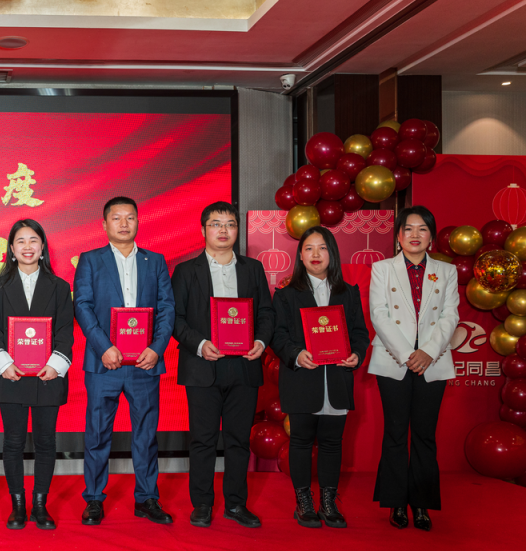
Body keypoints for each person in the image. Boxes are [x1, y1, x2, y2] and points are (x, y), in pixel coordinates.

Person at [72, 196, 176, 526]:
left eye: (130, 217)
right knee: (97, 432)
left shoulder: (155, 261)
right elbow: (82, 306)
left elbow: (167, 308)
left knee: (146, 434)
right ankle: (94, 498)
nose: (123, 223)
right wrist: (103, 346)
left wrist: (157, 348)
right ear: (104, 224)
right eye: (116, 218)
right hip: (104, 363)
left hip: (145, 363)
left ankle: (146, 498)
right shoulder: (90, 260)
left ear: (138, 222)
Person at [171, 201, 273, 528]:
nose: (223, 230)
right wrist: (200, 344)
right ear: (204, 230)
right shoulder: (186, 271)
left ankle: (236, 504)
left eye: (230, 224)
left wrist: (260, 342)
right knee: (202, 439)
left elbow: (266, 312)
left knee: (238, 440)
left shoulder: (252, 268)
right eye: (216, 224)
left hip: (243, 365)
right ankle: (202, 503)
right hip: (202, 366)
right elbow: (175, 318)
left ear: (236, 230)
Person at [271, 226, 370, 529]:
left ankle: (329, 502)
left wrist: (357, 354)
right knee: (301, 441)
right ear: (300, 255)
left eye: (323, 248)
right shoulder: (286, 295)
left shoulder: (347, 293)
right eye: (309, 248)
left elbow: (360, 333)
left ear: (332, 254)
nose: (316, 254)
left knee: (332, 443)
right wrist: (296, 354)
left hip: (337, 379)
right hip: (303, 378)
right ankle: (303, 502)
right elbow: (277, 335)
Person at [368, 206, 458, 532]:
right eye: (408, 229)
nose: (415, 235)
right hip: (394, 360)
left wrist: (428, 352)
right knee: (395, 432)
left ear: (431, 237)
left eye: (422, 229)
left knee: (424, 433)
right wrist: (408, 354)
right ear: (398, 236)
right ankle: (396, 502)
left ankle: (421, 503)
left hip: (433, 361)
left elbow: (450, 315)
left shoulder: (446, 271)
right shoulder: (383, 269)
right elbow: (379, 314)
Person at [0, 219, 74, 530]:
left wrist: (56, 364)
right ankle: (18, 505)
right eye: (20, 241)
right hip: (12, 375)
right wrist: (3, 364)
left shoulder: (59, 287)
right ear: (11, 248)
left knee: (46, 441)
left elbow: (65, 331)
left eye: (33, 240)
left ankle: (40, 505)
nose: (27, 246)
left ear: (42, 247)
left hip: (48, 375)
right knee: (13, 441)